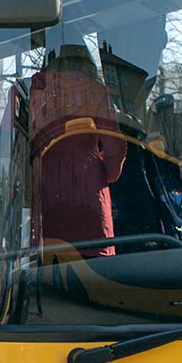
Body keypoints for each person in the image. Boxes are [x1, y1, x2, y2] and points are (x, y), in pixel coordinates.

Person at [28, 44, 128, 255]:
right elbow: (115, 145)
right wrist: (108, 172)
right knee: (93, 261)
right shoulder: (94, 90)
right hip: (87, 184)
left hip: (44, 182)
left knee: (50, 258)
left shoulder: (38, 91)